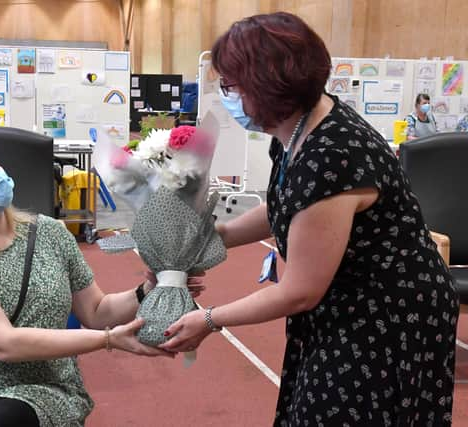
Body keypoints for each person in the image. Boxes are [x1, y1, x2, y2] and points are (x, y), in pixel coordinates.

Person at [160, 12, 458, 426]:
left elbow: (299, 291)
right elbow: (289, 203)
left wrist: (209, 319)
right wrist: (218, 236)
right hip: (344, 302)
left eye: (232, 86)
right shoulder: (297, 129)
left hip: (388, 315)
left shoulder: (332, 153)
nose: (227, 97)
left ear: (268, 85)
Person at [0, 133, 204, 427]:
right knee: (3, 418)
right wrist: (108, 340)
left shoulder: (51, 233)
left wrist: (148, 289)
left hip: (47, 384)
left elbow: (97, 312)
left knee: (11, 416)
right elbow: (3, 344)